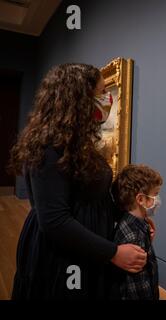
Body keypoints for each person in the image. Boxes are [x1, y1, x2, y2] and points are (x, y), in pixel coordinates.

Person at [9, 63, 147, 300]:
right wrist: (113, 252)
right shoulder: (48, 147)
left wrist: (130, 217)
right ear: (79, 98)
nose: (107, 99)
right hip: (61, 259)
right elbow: (54, 221)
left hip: (85, 251)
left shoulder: (77, 143)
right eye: (101, 92)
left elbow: (92, 198)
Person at [111, 164, 162, 300]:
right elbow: (138, 287)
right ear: (140, 199)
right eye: (155, 194)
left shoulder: (134, 223)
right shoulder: (133, 237)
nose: (158, 200)